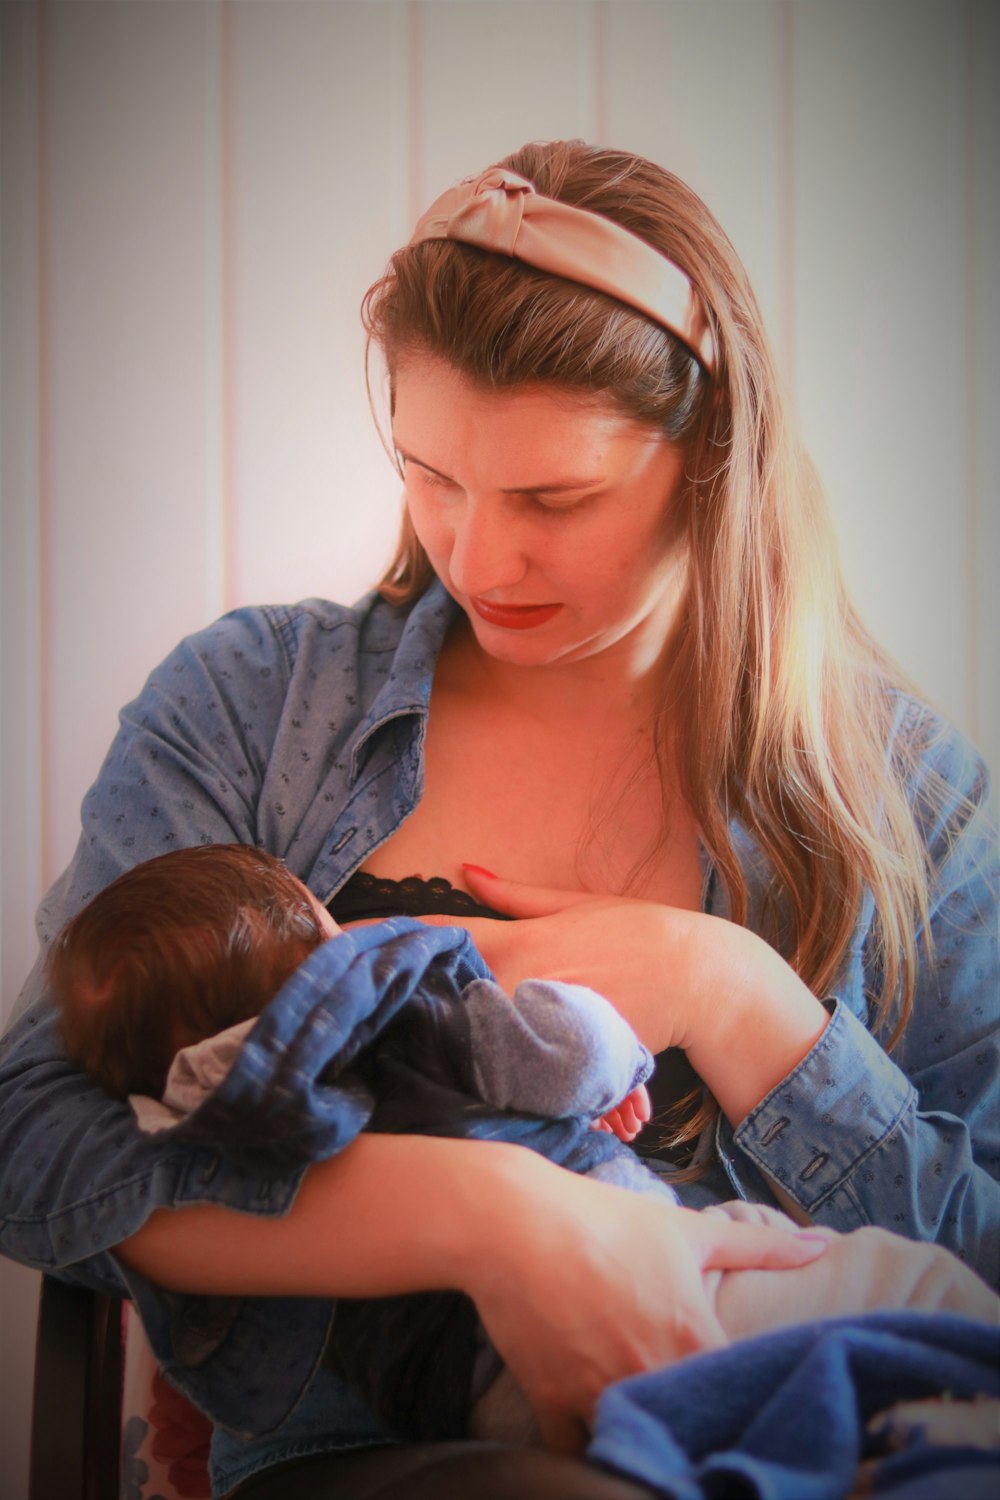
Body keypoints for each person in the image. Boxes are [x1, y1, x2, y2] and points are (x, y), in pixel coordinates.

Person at [0, 139, 996, 1500]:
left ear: (715, 459)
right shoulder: (250, 709)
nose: (476, 557)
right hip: (383, 1459)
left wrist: (735, 996)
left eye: (554, 498)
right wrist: (499, 1218)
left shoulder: (913, 800)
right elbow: (38, 1144)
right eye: (431, 474)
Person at [47, 842, 998, 1450]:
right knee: (916, 1293)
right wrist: (611, 1066)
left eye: (553, 505)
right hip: (685, 1299)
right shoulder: (389, 1006)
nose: (486, 555)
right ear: (317, 939)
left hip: (459, 1405)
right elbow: (561, 1051)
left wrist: (722, 982)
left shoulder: (190, 1118)